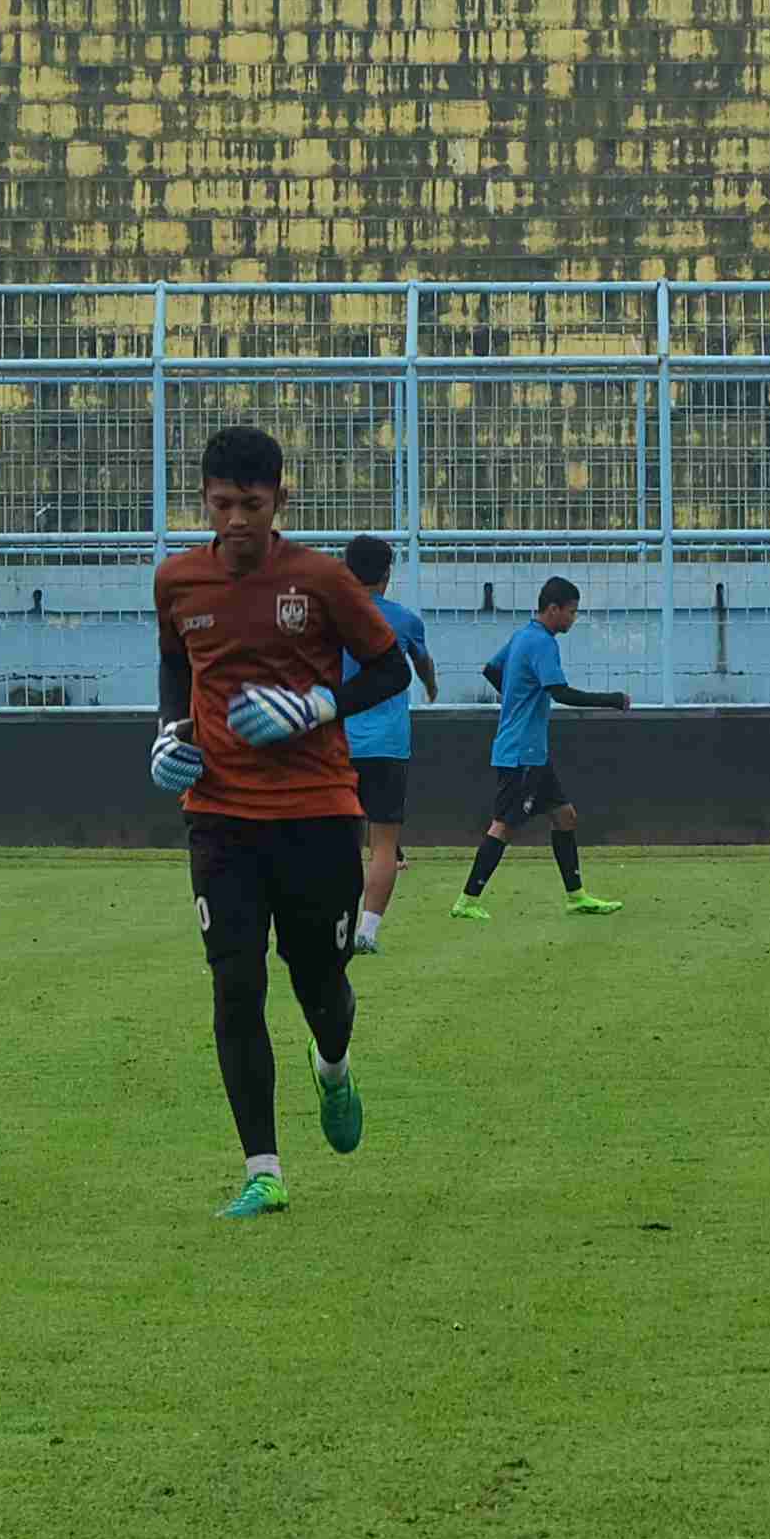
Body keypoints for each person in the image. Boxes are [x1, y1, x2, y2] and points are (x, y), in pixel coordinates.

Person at [149, 428, 412, 1219]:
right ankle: (262, 1170)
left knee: (319, 985)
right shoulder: (176, 581)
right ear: (203, 500)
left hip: (316, 813)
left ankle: (332, 1067)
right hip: (219, 817)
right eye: (222, 504)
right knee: (236, 985)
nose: (236, 520)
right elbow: (175, 664)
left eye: (252, 505)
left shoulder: (321, 579)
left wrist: (318, 704)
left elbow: (391, 668)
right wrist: (170, 733)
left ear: (280, 501)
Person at [448, 576, 630, 921]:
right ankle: (467, 901)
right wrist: (613, 699)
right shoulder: (543, 643)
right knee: (503, 826)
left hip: (533, 753)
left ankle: (576, 897)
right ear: (553, 609)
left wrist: (516, 695)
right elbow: (560, 692)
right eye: (572, 612)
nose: (574, 618)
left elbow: (491, 670)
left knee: (565, 817)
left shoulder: (522, 636)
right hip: (522, 754)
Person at [339, 534, 437, 956]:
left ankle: (335, 926)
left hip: (335, 743)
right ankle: (367, 931)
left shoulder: (329, 618)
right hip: (387, 744)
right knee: (383, 844)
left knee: (335, 840)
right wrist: (431, 686)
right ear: (387, 574)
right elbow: (422, 663)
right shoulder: (405, 621)